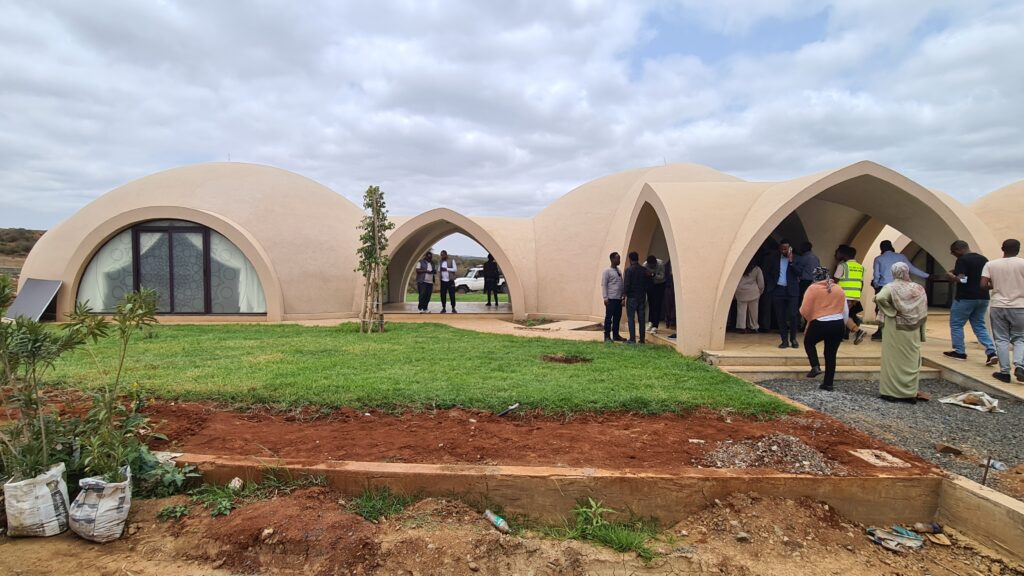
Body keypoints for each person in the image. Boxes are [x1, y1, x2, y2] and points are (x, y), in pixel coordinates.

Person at [874, 262, 929, 403]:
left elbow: (880, 298)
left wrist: (892, 311)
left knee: (892, 360)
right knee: (911, 359)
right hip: (913, 329)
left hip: (895, 327)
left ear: (893, 272)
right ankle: (909, 393)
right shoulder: (918, 288)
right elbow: (922, 311)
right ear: (907, 272)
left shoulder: (890, 287)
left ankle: (890, 392)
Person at [944, 240, 997, 365]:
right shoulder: (983, 259)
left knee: (956, 324)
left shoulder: (962, 260)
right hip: (983, 297)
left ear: (959, 250)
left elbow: (962, 279)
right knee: (979, 325)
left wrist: (950, 276)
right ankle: (991, 352)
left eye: (953, 252)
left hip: (965, 297)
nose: (953, 255)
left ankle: (959, 352)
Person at [981, 239, 1024, 383]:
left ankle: (1004, 372)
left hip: (998, 305)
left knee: (1001, 339)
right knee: (1020, 338)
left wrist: (997, 285)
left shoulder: (991, 264)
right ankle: (1020, 366)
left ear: (1002, 248)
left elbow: (983, 285)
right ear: (1018, 249)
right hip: (1020, 306)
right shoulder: (1022, 263)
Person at [800, 266, 848, 391]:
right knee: (831, 354)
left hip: (820, 322)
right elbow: (845, 310)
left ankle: (815, 366)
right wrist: (843, 324)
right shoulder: (838, 289)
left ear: (815, 277)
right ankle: (828, 383)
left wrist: (810, 318)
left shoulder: (813, 288)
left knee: (809, 342)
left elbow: (804, 309)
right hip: (838, 323)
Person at [870, 240, 929, 341]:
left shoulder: (879, 258)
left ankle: (881, 332)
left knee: (881, 310)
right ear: (891, 247)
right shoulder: (901, 257)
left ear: (881, 249)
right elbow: (911, 268)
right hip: (901, 287)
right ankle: (899, 330)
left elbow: (876, 276)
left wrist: (875, 284)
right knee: (901, 309)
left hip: (884, 287)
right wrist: (927, 276)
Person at [764, 240, 801, 348]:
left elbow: (799, 273)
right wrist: (772, 284)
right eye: (781, 249)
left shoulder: (797, 258)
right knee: (780, 317)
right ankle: (784, 340)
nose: (783, 251)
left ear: (790, 249)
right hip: (778, 290)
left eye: (785, 249)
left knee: (793, 315)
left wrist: (791, 262)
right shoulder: (774, 259)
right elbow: (767, 272)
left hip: (792, 291)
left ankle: (793, 338)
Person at [834, 244, 867, 344]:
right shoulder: (860, 267)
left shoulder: (843, 266)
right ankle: (843, 334)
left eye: (838, 252)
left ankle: (857, 330)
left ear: (844, 254)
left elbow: (835, 280)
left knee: (842, 314)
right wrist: (857, 297)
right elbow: (861, 283)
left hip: (844, 294)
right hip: (855, 296)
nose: (836, 254)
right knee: (843, 314)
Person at [623, 251, 651, 344]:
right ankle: (642, 339)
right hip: (642, 297)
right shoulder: (644, 270)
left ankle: (632, 339)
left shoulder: (629, 270)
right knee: (641, 319)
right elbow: (649, 283)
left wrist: (623, 296)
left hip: (632, 297)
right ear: (638, 258)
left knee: (631, 318)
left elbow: (626, 285)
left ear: (630, 259)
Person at [734, 259, 764, 334]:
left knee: (741, 310)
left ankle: (741, 327)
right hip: (753, 292)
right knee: (754, 311)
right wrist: (760, 291)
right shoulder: (757, 269)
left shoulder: (739, 268)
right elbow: (761, 282)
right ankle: (754, 327)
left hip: (740, 291)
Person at [601, 252, 625, 343]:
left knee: (617, 318)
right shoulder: (607, 271)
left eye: (619, 258)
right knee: (609, 318)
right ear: (612, 259)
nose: (619, 260)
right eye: (617, 258)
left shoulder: (619, 270)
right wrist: (605, 298)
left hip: (619, 299)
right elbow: (604, 285)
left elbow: (621, 284)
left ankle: (616, 335)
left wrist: (623, 297)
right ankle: (607, 336)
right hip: (611, 298)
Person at [645, 255, 666, 334]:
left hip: (660, 285)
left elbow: (662, 276)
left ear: (655, 262)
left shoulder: (660, 264)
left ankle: (655, 326)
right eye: (650, 266)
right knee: (651, 304)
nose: (652, 267)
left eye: (653, 265)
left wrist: (652, 274)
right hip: (650, 284)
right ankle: (650, 322)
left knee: (657, 304)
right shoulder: (645, 265)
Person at [662, 260, 676, 334]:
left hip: (674, 288)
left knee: (673, 306)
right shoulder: (666, 266)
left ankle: (672, 322)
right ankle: (668, 321)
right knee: (668, 306)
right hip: (668, 288)